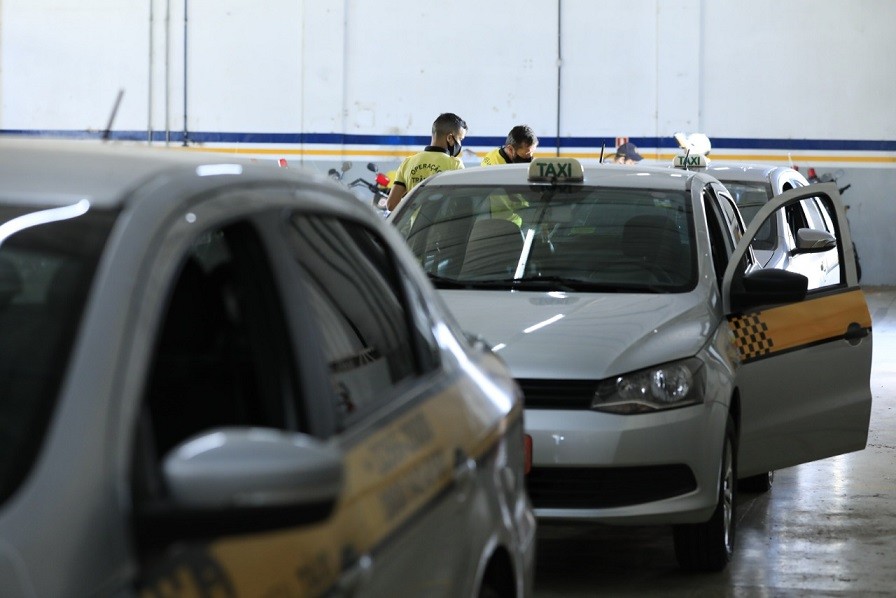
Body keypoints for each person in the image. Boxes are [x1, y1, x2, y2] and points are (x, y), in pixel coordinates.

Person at [386, 113, 467, 211]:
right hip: (442, 221)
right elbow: (462, 204)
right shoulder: (455, 164)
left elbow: (391, 205)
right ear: (449, 138)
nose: (460, 144)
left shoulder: (408, 162)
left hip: (415, 221)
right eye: (460, 139)